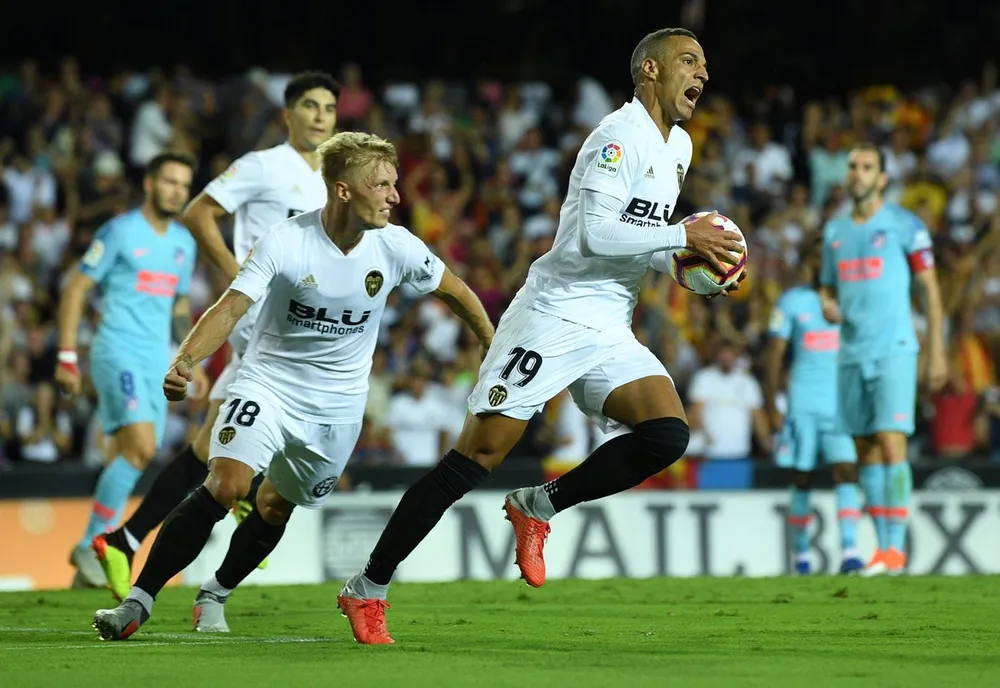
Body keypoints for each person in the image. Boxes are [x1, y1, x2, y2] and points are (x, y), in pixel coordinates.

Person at [338, 27, 743, 645]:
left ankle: (538, 506)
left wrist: (694, 269)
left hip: (609, 320)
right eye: (690, 61)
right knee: (476, 457)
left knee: (666, 434)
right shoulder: (615, 138)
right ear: (650, 71)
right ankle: (367, 587)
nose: (703, 74)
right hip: (553, 313)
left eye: (705, 64)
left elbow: (646, 237)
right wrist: (685, 239)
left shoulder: (678, 146)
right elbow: (595, 238)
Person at [90, 131, 494, 640]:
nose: (395, 195)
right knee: (226, 485)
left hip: (338, 409)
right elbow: (231, 306)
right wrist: (187, 359)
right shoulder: (286, 240)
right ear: (344, 190)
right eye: (383, 184)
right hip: (268, 385)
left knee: (275, 506)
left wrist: (489, 340)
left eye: (394, 184)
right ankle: (137, 603)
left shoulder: (397, 246)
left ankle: (214, 592)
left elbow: (455, 290)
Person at [91, 71, 339, 601]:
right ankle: (239, 509)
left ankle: (125, 538)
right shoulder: (263, 166)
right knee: (263, 431)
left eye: (329, 108)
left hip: (297, 323)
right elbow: (200, 212)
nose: (320, 116)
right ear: (287, 115)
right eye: (310, 106)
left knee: (208, 448)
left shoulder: (332, 179)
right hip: (263, 326)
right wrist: (239, 277)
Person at [56, 151, 204, 589]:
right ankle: (91, 547)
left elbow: (179, 306)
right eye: (170, 182)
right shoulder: (120, 232)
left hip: (157, 360)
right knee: (139, 447)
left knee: (136, 454)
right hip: (116, 350)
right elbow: (77, 287)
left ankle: (87, 563)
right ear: (149, 184)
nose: (177, 190)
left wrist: (188, 357)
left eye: (183, 184)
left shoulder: (184, 244)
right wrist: (67, 355)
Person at [819, 143, 946, 576]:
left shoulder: (904, 225)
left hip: (894, 348)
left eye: (866, 167)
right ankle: (882, 550)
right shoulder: (834, 230)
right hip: (851, 352)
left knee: (892, 441)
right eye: (852, 166)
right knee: (864, 449)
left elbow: (929, 287)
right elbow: (827, 287)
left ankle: (894, 551)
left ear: (882, 178)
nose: (857, 173)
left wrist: (937, 352)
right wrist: (828, 304)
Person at [765, 240, 863, 575]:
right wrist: (770, 402)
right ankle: (802, 556)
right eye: (817, 258)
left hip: (841, 404)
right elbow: (775, 356)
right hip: (803, 403)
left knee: (847, 469)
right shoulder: (792, 302)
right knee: (802, 476)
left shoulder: (852, 300)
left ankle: (850, 550)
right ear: (809, 263)